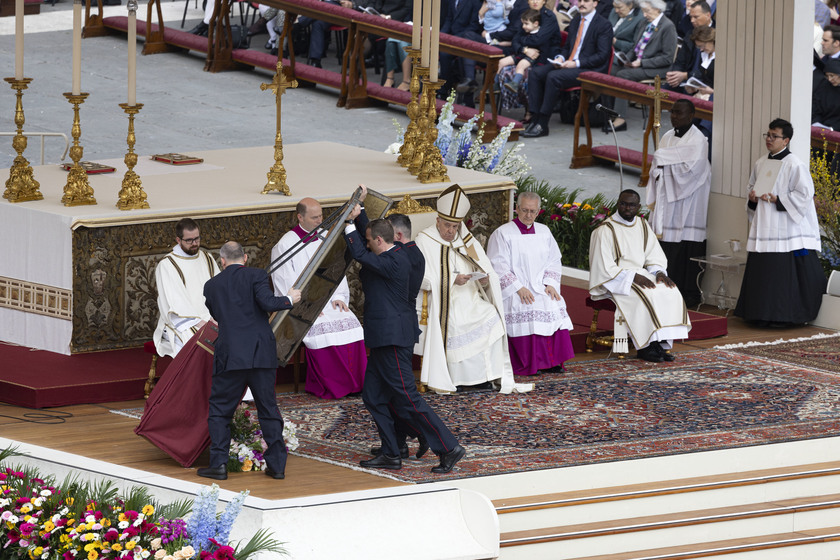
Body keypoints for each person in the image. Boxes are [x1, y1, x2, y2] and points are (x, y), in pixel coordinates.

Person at [343, 198, 465, 474]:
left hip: (392, 336)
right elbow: (373, 241)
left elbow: (362, 253)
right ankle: (392, 450)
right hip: (384, 335)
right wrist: (361, 213)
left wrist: (349, 224)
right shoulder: (395, 250)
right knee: (373, 396)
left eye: (372, 240)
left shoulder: (394, 260)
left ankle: (448, 447)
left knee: (408, 398)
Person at [414, 184, 533, 393]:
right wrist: (451, 280)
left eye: (455, 226)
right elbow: (418, 277)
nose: (451, 231)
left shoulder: (465, 239)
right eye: (447, 226)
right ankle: (461, 380)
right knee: (458, 323)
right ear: (437, 221)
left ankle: (487, 377)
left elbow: (485, 266)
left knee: (491, 316)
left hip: (470, 296)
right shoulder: (424, 241)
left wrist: (485, 280)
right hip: (444, 301)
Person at [198, 241, 302, 481]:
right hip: (260, 354)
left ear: (221, 261)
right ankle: (276, 467)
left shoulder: (212, 285)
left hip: (230, 354)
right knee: (268, 409)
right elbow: (267, 303)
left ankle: (219, 465)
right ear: (245, 258)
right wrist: (289, 299)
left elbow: (216, 315)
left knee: (220, 411)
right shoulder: (257, 275)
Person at [270, 198, 367, 399]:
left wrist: (339, 295)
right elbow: (284, 282)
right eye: (314, 217)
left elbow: (337, 268)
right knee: (323, 332)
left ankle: (357, 384)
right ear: (300, 217)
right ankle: (333, 386)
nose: (320, 220)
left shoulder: (326, 236)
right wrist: (306, 306)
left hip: (330, 300)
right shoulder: (285, 245)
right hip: (304, 307)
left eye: (321, 216)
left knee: (353, 325)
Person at [734, 119, 826, 327]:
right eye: (767, 135)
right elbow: (751, 187)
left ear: (786, 140)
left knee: (782, 275)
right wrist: (752, 198)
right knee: (763, 272)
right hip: (765, 224)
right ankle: (758, 314)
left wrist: (779, 199)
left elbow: (805, 195)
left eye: (774, 136)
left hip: (786, 227)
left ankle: (783, 317)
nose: (769, 139)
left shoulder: (795, 164)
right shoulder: (760, 163)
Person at [589, 189, 691, 362]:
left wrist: (658, 272)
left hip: (640, 274)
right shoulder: (605, 230)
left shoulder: (642, 225)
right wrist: (632, 277)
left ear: (638, 207)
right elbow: (603, 266)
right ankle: (645, 347)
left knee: (669, 290)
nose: (626, 208)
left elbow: (654, 254)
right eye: (623, 203)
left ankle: (659, 343)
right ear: (617, 204)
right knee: (646, 295)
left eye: (631, 205)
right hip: (615, 279)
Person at [486, 191, 575, 375]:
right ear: (516, 208)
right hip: (516, 289)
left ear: (538, 211)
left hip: (541, 286)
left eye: (532, 211)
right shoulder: (502, 233)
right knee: (525, 305)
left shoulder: (544, 232)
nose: (528, 215)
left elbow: (553, 260)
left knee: (552, 302)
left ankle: (553, 362)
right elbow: (498, 265)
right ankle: (531, 364)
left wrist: (550, 283)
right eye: (524, 210)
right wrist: (518, 288)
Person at [645, 99, 711, 308]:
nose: (674, 116)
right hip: (668, 198)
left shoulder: (698, 140)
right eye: (672, 112)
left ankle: (686, 292)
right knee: (665, 243)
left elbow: (691, 173)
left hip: (689, 200)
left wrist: (664, 164)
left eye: (679, 113)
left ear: (691, 115)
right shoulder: (666, 136)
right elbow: (658, 166)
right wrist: (660, 168)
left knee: (685, 244)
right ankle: (662, 289)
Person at [521, 0, 613, 138]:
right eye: (580, 0)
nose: (581, 4)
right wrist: (560, 58)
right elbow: (567, 48)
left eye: (586, 1)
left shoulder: (604, 25)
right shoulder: (576, 21)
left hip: (590, 69)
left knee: (553, 76)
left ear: (595, 3)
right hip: (569, 64)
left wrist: (576, 63)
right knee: (536, 73)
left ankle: (543, 123)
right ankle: (535, 117)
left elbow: (602, 55)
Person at [153, 218, 220, 359]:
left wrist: (217, 316)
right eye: (189, 240)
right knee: (200, 345)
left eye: (197, 239)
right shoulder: (167, 264)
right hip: (182, 321)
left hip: (212, 317)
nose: (195, 244)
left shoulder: (207, 258)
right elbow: (174, 302)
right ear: (178, 240)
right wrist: (199, 322)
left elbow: (220, 289)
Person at [606, 0, 678, 131]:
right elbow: (635, 47)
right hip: (637, 64)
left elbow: (667, 58)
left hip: (655, 68)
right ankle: (610, 112)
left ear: (657, 10)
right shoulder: (645, 23)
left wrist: (642, 62)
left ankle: (620, 118)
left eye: (647, 11)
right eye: (644, 11)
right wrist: (624, 59)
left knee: (623, 75)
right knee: (611, 70)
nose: (644, 15)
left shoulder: (668, 26)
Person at [664, 0, 713, 93]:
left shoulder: (717, 34)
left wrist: (686, 75)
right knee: (661, 93)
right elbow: (680, 60)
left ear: (708, 15)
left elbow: (709, 70)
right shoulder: (690, 33)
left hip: (705, 83)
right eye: (691, 17)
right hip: (686, 78)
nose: (692, 21)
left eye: (696, 17)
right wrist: (674, 75)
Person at [813, 59, 840, 130]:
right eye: (827, 76)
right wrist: (817, 123)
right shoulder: (824, 87)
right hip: (823, 127)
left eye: (832, 76)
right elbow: (817, 109)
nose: (829, 79)